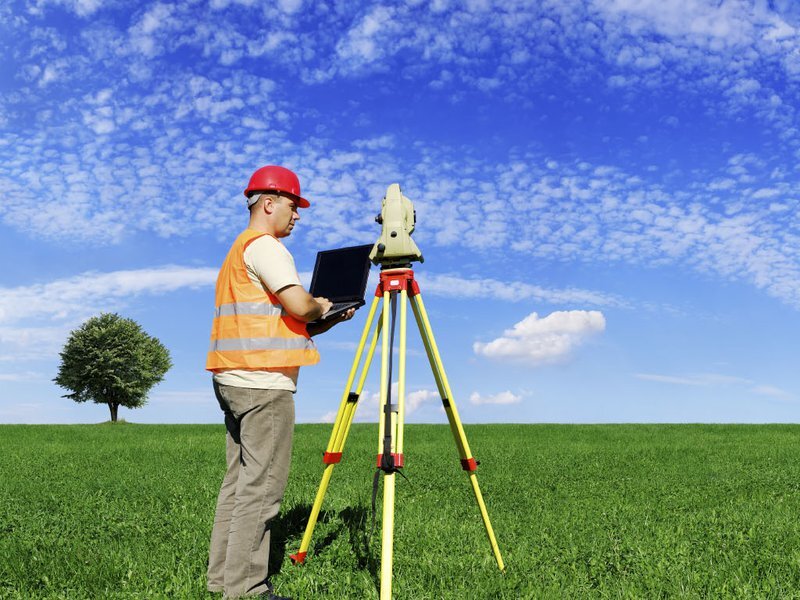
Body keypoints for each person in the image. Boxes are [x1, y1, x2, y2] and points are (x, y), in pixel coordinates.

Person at [205, 165, 354, 599]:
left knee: (238, 485)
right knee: (263, 490)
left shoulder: (240, 250)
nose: (298, 215)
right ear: (268, 203)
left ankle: (222, 581)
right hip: (263, 386)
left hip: (234, 379)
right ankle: (248, 590)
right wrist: (318, 304)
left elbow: (285, 323)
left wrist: (324, 316)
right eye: (293, 205)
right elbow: (299, 306)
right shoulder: (266, 247)